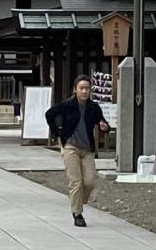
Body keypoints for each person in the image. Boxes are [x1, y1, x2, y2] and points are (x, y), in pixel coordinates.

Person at [45, 75, 110, 228]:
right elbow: (49, 114)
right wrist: (58, 133)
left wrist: (104, 126)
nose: (84, 91)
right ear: (75, 89)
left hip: (87, 149)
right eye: (81, 88)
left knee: (89, 181)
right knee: (76, 181)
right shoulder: (67, 105)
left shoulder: (94, 107)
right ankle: (77, 213)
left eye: (87, 88)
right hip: (71, 147)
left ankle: (79, 201)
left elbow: (102, 121)